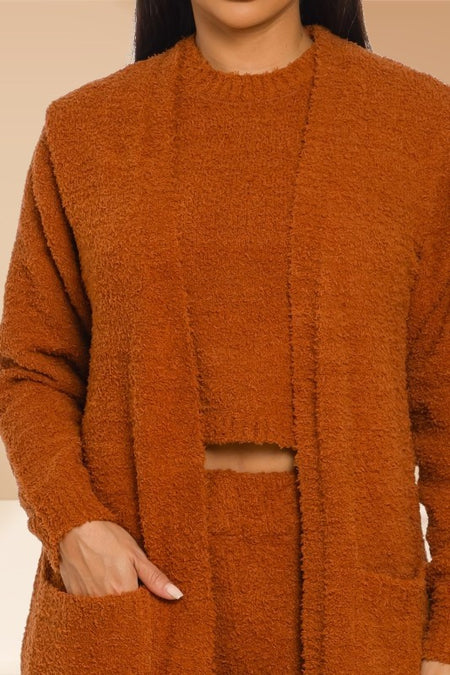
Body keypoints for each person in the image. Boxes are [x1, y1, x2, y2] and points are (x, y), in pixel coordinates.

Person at [1, 0, 449, 672]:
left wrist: (445, 641)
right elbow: (30, 368)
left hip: (361, 619)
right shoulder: (85, 130)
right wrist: (73, 525)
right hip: (133, 606)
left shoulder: (418, 124)